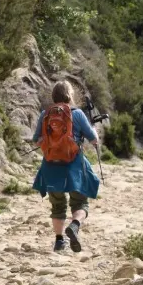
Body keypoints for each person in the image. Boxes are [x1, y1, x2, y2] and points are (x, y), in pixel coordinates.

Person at [31, 80, 101, 253]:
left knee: (57, 204)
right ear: (70, 95)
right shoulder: (77, 114)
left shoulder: (45, 114)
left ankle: (59, 240)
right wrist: (94, 130)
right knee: (80, 202)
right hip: (74, 166)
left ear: (54, 96)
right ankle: (75, 226)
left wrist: (51, 146)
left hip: (51, 165)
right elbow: (94, 139)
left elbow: (37, 139)